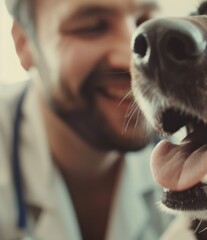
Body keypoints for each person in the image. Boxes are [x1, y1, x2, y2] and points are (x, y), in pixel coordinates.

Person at [0, 0, 172, 239]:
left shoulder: (203, 150)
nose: (133, 61)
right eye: (92, 27)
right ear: (24, 44)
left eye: (144, 22)